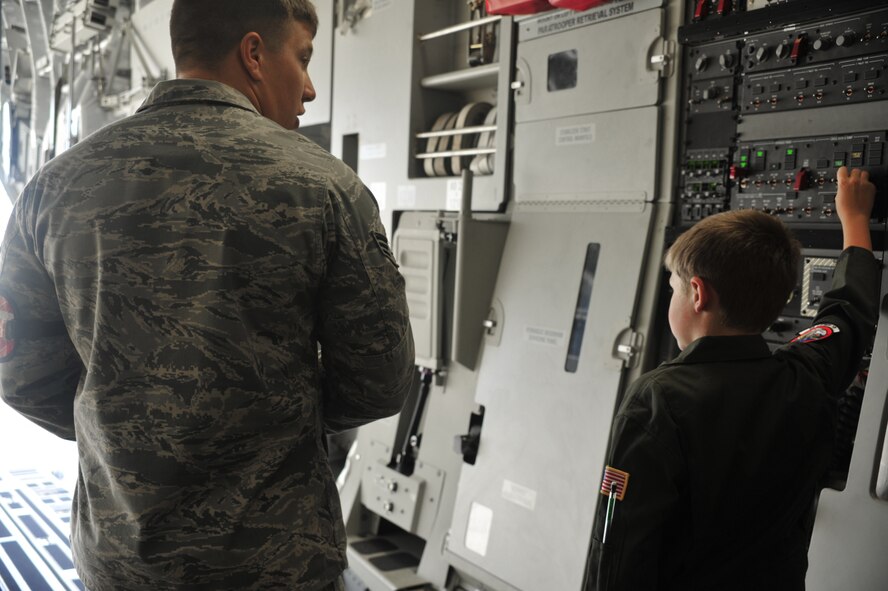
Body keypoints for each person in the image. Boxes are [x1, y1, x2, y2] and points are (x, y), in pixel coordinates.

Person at [0, 0, 415, 589]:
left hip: (122, 561)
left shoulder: (53, 190)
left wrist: (128, 427)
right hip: (275, 562)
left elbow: (21, 374)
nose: (311, 89)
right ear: (253, 54)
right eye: (302, 60)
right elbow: (381, 379)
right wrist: (273, 423)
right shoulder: (326, 189)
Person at [585, 167, 880, 590]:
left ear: (699, 294)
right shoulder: (805, 376)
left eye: (674, 287)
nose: (673, 295)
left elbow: (616, 553)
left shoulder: (655, 403)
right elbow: (850, 312)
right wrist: (855, 220)